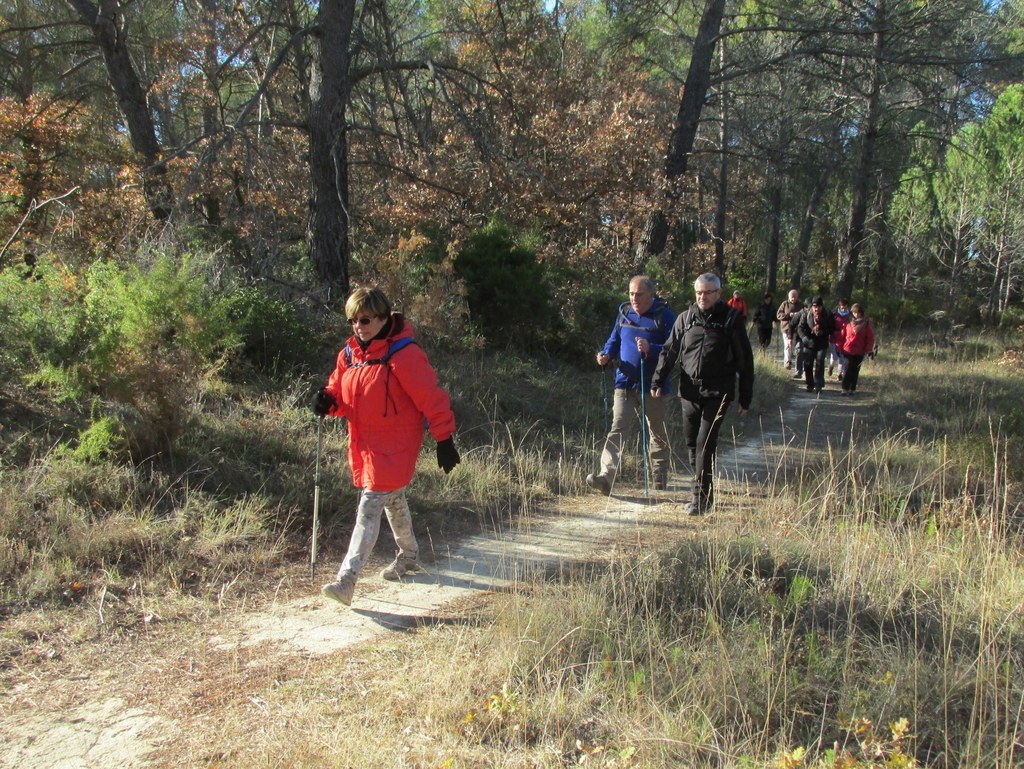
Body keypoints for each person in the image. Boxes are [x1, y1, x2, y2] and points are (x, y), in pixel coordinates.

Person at [311, 287, 461, 607]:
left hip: (396, 445)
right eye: (353, 320)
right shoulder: (350, 355)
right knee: (392, 499)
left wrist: (444, 439)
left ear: (383, 317)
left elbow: (430, 397)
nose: (358, 326)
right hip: (365, 445)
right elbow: (340, 395)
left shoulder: (404, 353)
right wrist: (327, 401)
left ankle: (346, 580)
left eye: (365, 319)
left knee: (370, 505)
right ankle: (409, 556)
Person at [651, 272, 754, 516]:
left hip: (719, 391)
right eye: (699, 292)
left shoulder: (731, 320)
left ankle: (700, 499)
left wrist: (745, 396)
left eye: (708, 292)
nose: (702, 296)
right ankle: (703, 490)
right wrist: (658, 379)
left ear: (719, 294)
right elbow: (669, 351)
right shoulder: (685, 319)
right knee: (691, 443)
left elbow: (745, 360)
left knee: (704, 443)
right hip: (689, 390)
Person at [588, 275, 675, 494]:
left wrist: (651, 347)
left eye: (639, 294)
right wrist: (606, 355)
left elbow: (673, 347)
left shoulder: (664, 316)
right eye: (631, 293)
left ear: (651, 294)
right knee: (617, 429)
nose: (634, 298)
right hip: (624, 383)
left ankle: (659, 474)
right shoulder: (624, 314)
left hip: (654, 385)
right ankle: (606, 477)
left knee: (657, 432)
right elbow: (613, 341)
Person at [796, 296, 835, 393]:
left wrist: (823, 332)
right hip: (809, 342)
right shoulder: (806, 314)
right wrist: (804, 338)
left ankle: (818, 384)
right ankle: (810, 384)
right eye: (814, 306)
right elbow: (800, 328)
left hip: (822, 343)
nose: (816, 309)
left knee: (820, 362)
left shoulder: (828, 314)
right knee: (808, 364)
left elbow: (832, 328)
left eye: (818, 306)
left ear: (821, 307)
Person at [838, 303, 875, 396]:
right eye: (854, 312)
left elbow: (869, 338)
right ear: (852, 313)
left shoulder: (866, 324)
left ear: (861, 313)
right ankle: (844, 388)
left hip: (859, 350)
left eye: (858, 313)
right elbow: (842, 336)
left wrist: (869, 349)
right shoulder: (847, 323)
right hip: (848, 349)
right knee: (847, 368)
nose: (856, 315)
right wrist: (839, 347)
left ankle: (852, 388)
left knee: (855, 369)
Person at [776, 289, 802, 370]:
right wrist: (789, 315)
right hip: (786, 328)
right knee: (787, 345)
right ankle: (787, 362)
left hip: (796, 329)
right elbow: (779, 315)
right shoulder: (784, 304)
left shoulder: (801, 304)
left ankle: (794, 363)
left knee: (793, 346)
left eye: (795, 297)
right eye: (792, 297)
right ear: (789, 297)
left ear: (797, 297)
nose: (793, 298)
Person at [830, 298, 851, 380]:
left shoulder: (850, 315)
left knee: (842, 357)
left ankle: (840, 374)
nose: (843, 309)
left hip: (844, 338)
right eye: (841, 307)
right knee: (834, 357)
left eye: (845, 307)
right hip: (834, 337)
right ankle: (831, 366)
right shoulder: (834, 314)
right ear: (839, 306)